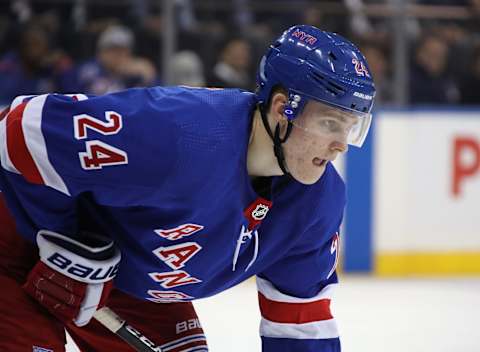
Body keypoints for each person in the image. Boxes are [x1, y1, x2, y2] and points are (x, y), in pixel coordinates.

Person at [0, 24, 375, 352]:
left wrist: (80, 263)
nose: (341, 143)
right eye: (330, 123)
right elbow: (16, 130)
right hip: (13, 244)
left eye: (351, 127)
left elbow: (300, 323)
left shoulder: (318, 204)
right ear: (282, 109)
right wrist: (62, 239)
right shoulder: (177, 134)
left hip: (121, 283)